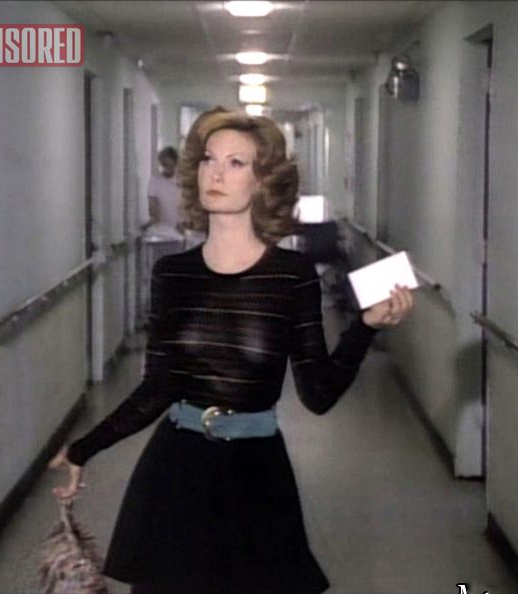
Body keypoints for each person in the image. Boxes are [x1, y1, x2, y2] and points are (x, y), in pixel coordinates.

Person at [50, 107, 414, 594]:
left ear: (263, 181)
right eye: (208, 159)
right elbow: (158, 388)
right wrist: (85, 448)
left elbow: (319, 394)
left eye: (235, 163)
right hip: (176, 468)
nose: (215, 173)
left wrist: (364, 329)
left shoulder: (290, 275)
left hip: (256, 472)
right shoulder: (173, 273)